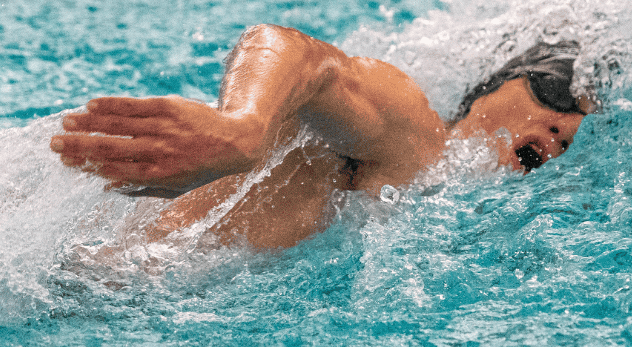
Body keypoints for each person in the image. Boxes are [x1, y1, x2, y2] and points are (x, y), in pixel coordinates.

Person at [50, 24, 594, 249]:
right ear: (498, 84)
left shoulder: (442, 202)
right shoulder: (415, 135)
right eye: (558, 92)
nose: (562, 125)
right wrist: (243, 129)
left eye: (576, 131)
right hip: (91, 272)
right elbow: (292, 49)